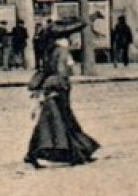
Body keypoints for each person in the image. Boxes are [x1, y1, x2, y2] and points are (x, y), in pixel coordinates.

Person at [24, 37, 100, 169]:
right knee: (56, 122)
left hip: (53, 90)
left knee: (59, 121)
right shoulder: (63, 52)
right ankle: (42, 153)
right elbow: (62, 72)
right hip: (58, 90)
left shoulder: (51, 51)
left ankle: (79, 151)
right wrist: (59, 84)